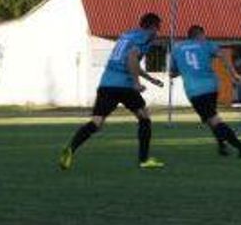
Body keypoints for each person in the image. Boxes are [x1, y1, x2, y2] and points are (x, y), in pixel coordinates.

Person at [59, 13, 165, 170]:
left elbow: (128, 60)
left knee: (96, 122)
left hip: (107, 83)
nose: (159, 31)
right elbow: (132, 58)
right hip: (125, 85)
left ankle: (71, 148)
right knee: (144, 118)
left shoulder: (127, 35)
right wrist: (136, 83)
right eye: (159, 27)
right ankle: (144, 160)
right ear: (154, 26)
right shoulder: (146, 36)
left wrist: (150, 79)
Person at [170, 25, 241, 158]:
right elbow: (223, 55)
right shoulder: (206, 45)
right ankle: (222, 146)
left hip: (194, 91)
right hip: (212, 87)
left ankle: (240, 146)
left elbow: (173, 72)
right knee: (211, 118)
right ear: (200, 35)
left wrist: (182, 70)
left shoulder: (177, 48)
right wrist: (234, 74)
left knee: (213, 120)